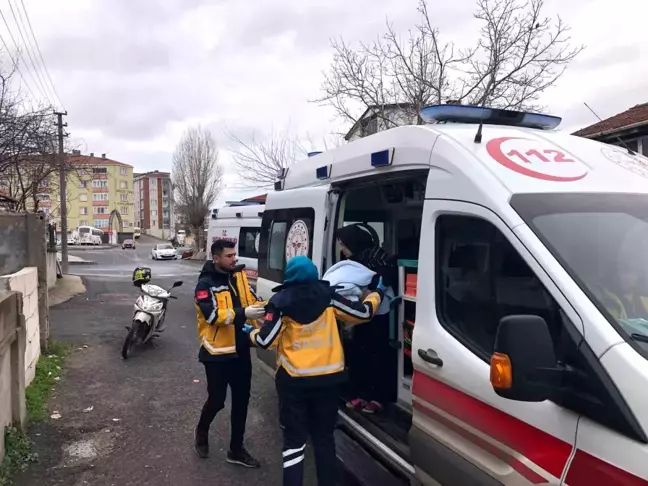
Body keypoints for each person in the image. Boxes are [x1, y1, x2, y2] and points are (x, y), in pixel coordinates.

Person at [246, 256, 384, 486]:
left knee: (294, 442)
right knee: (324, 439)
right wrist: (375, 294)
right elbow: (362, 314)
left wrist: (248, 333)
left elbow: (265, 340)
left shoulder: (280, 302)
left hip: (294, 382)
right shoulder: (328, 296)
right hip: (328, 382)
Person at [193, 239, 266, 467]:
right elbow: (213, 316)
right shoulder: (205, 284)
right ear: (216, 258)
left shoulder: (239, 277)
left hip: (241, 350)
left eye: (235, 254)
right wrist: (245, 312)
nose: (234, 259)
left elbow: (253, 300)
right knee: (216, 401)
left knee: (242, 402)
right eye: (229, 256)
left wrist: (272, 306)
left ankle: (236, 450)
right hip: (217, 353)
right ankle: (202, 431)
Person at [334, 224, 397, 414]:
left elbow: (385, 282)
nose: (343, 251)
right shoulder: (355, 261)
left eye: (344, 246)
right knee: (359, 354)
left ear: (354, 243)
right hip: (361, 314)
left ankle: (378, 396)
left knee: (378, 355)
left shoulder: (379, 260)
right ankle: (361, 393)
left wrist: (373, 290)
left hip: (381, 314)